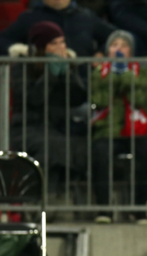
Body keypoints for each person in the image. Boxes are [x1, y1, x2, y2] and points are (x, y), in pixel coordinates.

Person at [8, 21, 87, 199]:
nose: (60, 47)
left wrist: (67, 72)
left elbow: (78, 97)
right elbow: (33, 99)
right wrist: (49, 74)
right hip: (27, 127)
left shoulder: (67, 63)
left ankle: (62, 200)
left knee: (81, 147)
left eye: (62, 42)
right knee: (53, 147)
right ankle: (45, 199)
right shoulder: (22, 66)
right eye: (54, 43)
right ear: (41, 47)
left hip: (58, 126)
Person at [90, 31, 147, 224]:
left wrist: (124, 75)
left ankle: (140, 210)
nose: (119, 49)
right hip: (106, 129)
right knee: (101, 154)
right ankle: (104, 209)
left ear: (131, 51)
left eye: (123, 45)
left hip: (135, 130)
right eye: (114, 45)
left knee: (144, 154)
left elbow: (139, 99)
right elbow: (98, 100)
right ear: (108, 50)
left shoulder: (143, 71)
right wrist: (116, 77)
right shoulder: (98, 72)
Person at [0, 0, 115, 58]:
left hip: (82, 86)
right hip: (42, 86)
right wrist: (22, 50)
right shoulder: (29, 18)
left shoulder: (86, 17)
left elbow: (115, 36)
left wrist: (101, 52)